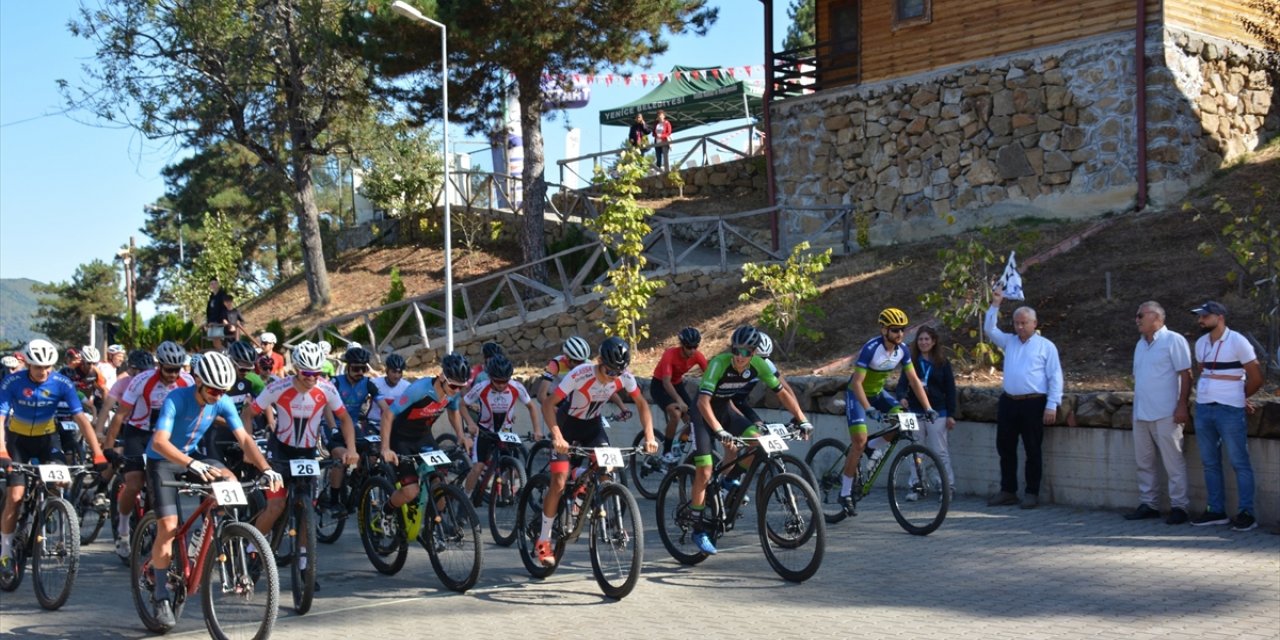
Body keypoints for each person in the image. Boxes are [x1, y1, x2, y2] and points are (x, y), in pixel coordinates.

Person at [141, 352, 281, 628]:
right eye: (214, 390)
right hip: (163, 461)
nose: (219, 396)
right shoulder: (176, 399)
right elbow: (159, 442)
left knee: (228, 479)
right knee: (168, 527)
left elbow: (245, 439)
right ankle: (160, 596)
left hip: (193, 457)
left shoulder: (223, 401)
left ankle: (205, 535)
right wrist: (191, 463)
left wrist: (267, 469)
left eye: (223, 391)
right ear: (197, 381)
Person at [535, 337, 658, 567]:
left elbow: (641, 403)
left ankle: (584, 491)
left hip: (593, 426)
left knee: (606, 470)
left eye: (618, 371)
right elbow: (548, 404)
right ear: (599, 361)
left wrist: (650, 436)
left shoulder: (624, 377)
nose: (613, 376)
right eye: (609, 370)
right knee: (559, 482)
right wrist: (557, 436)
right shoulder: (580, 374)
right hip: (566, 425)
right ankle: (543, 540)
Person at [0, 339, 109, 579]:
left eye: (48, 366)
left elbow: (81, 419)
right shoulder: (12, 382)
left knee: (60, 482)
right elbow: (0, 419)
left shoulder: (62, 383)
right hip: (18, 442)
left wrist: (98, 453)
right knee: (16, 496)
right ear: (28, 364)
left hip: (48, 439)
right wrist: (2, 451)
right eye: (39, 367)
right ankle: (5, 552)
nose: (44, 371)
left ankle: (49, 514)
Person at [241, 342, 358, 548]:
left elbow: (345, 419)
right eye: (306, 373)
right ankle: (252, 550)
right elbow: (248, 414)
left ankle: (305, 565)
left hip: (306, 452)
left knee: (308, 512)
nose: (312, 378)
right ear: (296, 369)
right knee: (276, 506)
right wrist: (248, 450)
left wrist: (352, 450)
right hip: (280, 450)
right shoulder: (278, 387)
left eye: (317, 373)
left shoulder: (326, 388)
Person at [840, 309, 937, 516]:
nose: (900, 334)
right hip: (857, 395)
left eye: (902, 329)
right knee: (858, 441)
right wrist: (868, 409)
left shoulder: (903, 350)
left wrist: (928, 408)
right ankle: (845, 493)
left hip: (878, 393)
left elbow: (914, 381)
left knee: (901, 421)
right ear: (884, 329)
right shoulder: (871, 348)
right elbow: (857, 383)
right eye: (895, 330)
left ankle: (872, 447)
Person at [104, 340, 195, 559]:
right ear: (159, 365)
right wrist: (108, 448)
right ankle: (123, 529)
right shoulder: (141, 381)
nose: (173, 374)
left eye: (178, 369)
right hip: (139, 432)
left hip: (167, 435)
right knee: (134, 482)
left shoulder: (188, 381)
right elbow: (120, 415)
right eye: (169, 369)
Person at [984, 289, 1063, 510]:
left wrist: (1052, 404)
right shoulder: (1010, 342)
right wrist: (996, 304)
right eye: (1017, 323)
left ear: (1034, 323)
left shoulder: (1046, 346)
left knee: (1032, 448)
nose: (1019, 327)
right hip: (1009, 401)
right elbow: (990, 329)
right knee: (1005, 447)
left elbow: (1055, 376)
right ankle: (1008, 490)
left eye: (1024, 323)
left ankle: (1031, 492)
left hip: (1033, 402)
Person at [1188, 301, 1263, 531]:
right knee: (1210, 463)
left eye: (1205, 316)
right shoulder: (1200, 343)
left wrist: (1239, 398)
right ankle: (1216, 510)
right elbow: (1205, 372)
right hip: (1203, 409)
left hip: (1229, 410)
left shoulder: (1238, 341)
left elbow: (1257, 378)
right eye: (1199, 316)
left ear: (1219, 317)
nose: (1200, 320)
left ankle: (1247, 513)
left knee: (1239, 462)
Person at [378, 353, 471, 525]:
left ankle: (437, 526)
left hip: (423, 436)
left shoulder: (453, 392)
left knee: (439, 481)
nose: (456, 391)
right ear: (442, 376)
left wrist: (461, 435)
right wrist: (385, 448)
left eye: (461, 387)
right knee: (410, 491)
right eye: (453, 386)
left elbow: (454, 411)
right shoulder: (419, 389)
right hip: (400, 439)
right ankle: (386, 511)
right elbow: (388, 414)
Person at [1127, 301, 1193, 525]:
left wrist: (1182, 405)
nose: (1136, 319)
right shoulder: (1140, 345)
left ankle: (1179, 507)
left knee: (1173, 462)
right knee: (1144, 463)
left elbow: (1186, 374)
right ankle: (1149, 504)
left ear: (1156, 317)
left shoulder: (1173, 340)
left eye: (1140, 315)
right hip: (1141, 413)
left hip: (1167, 413)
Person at [461, 355, 541, 495]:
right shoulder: (481, 387)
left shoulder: (516, 387)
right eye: (497, 381)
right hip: (485, 431)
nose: (502, 385)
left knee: (511, 466)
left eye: (505, 381)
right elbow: (462, 404)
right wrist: (470, 423)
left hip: (505, 431)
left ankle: (506, 488)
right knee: (478, 467)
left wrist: (537, 430)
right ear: (490, 377)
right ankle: (465, 500)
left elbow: (532, 407)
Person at [896, 325, 958, 499]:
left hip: (937, 411)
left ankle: (946, 486)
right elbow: (901, 386)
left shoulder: (943, 363)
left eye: (927, 339)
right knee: (915, 449)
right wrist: (901, 397)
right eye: (920, 339)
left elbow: (950, 389)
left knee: (940, 451)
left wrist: (951, 414)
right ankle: (916, 485)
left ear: (934, 341)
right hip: (912, 412)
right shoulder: (911, 362)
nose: (923, 342)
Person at [650, 327, 707, 461]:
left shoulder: (697, 356)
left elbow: (710, 375)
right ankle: (666, 452)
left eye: (695, 346)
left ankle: (679, 445)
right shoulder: (670, 354)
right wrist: (679, 401)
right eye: (689, 347)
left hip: (677, 384)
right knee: (676, 414)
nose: (692, 350)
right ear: (682, 345)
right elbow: (666, 382)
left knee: (692, 418)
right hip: (660, 386)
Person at [205, 278, 230, 350]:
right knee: (214, 343)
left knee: (217, 340)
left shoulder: (222, 295)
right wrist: (208, 322)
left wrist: (223, 319)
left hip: (218, 322)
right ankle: (223, 353)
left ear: (218, 284)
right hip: (211, 322)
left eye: (215, 283)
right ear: (210, 286)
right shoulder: (211, 297)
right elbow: (208, 310)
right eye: (211, 284)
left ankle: (226, 355)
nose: (213, 285)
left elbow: (225, 308)